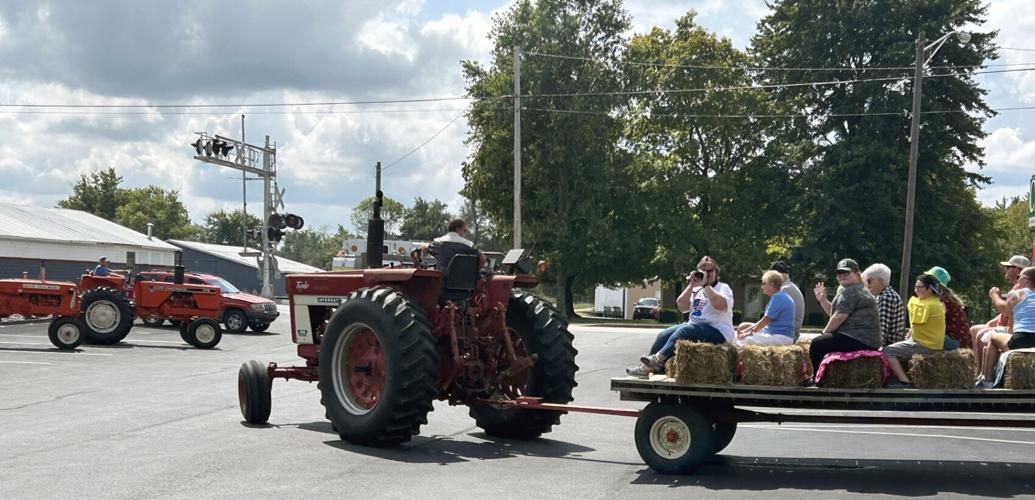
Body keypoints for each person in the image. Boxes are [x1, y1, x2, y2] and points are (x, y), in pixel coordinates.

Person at [627, 256, 734, 377]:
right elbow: (682, 307)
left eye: (710, 271)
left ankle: (658, 359)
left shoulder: (723, 288)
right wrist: (692, 285)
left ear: (716, 272)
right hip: (694, 327)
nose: (707, 274)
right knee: (663, 335)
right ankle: (646, 369)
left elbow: (721, 305)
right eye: (703, 272)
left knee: (684, 330)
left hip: (718, 330)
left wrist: (706, 286)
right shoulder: (697, 289)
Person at [809, 258, 882, 379]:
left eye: (846, 273)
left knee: (817, 344)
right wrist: (822, 300)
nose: (842, 276)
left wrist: (824, 333)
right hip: (863, 339)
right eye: (839, 273)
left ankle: (817, 378)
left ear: (857, 274)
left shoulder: (852, 290)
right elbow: (835, 315)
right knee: (823, 341)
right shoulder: (852, 289)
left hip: (861, 339)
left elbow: (839, 317)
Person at [884, 274, 946, 387]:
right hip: (928, 343)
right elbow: (917, 325)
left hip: (926, 346)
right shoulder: (933, 302)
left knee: (888, 351)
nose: (916, 290)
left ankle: (904, 382)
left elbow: (916, 319)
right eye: (915, 287)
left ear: (929, 289)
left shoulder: (929, 304)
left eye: (919, 287)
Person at [972, 255, 1030, 376]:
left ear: (1017, 269)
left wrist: (994, 295)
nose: (1005, 270)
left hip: (1019, 333)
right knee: (975, 329)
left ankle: (985, 375)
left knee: (982, 334)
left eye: (1007, 267)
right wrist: (993, 322)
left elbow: (1005, 310)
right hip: (1020, 331)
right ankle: (979, 372)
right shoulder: (1018, 287)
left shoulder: (1021, 288)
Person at [979, 267, 1035, 385]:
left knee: (993, 337)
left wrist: (994, 295)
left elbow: (1011, 318)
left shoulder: (1015, 295)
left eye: (1020, 277)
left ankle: (986, 380)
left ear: (1027, 280)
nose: (1018, 279)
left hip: (1022, 339)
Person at [736, 270, 795, 346]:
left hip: (781, 336)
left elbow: (766, 321)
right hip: (775, 334)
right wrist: (747, 331)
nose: (762, 286)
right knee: (743, 331)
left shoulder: (778, 297)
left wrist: (750, 332)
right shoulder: (779, 296)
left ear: (771, 284)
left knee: (745, 340)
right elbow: (764, 320)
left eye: (764, 283)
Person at [924, 266, 971, 349]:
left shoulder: (943, 300)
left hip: (955, 341)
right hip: (957, 340)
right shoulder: (942, 297)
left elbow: (934, 322)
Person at [861, 263, 907, 346]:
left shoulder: (886, 297)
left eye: (869, 281)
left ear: (881, 281)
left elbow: (880, 334)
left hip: (887, 346)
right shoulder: (883, 295)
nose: (868, 285)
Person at [770, 261, 805, 340]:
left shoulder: (784, 290)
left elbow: (770, 317)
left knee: (745, 329)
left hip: (784, 334)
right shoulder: (790, 287)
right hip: (789, 332)